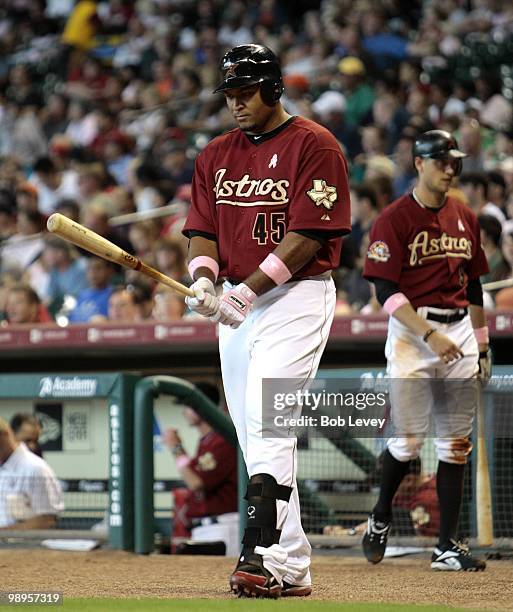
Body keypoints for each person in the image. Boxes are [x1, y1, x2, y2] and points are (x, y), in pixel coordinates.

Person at [182, 44, 351, 597]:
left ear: (274, 87)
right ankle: (293, 562)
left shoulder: (315, 145)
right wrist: (205, 279)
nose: (236, 102)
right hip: (236, 300)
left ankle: (259, 555)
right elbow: (202, 229)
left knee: (270, 420)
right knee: (255, 437)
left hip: (295, 297)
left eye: (245, 91)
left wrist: (248, 291)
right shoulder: (214, 153)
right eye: (229, 93)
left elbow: (308, 237)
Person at [362, 129, 491, 571]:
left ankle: (447, 546)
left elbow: (473, 284)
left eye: (454, 161)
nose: (450, 168)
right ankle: (380, 515)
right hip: (413, 335)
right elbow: (384, 290)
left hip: (460, 332)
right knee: (408, 441)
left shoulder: (465, 216)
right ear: (418, 163)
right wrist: (428, 334)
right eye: (441, 161)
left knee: (455, 444)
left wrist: (484, 343)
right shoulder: (394, 218)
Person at [163, 382, 238, 553]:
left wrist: (175, 447)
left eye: (188, 406)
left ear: (201, 406)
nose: (184, 412)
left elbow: (195, 482)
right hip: (209, 526)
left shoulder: (222, 439)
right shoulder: (208, 439)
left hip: (223, 526)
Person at [0, 418, 63, 530]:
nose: (33, 445)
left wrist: (5, 532)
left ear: (5, 435)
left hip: (24, 546)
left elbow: (48, 519)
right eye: (28, 440)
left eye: (35, 440)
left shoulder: (36, 469)